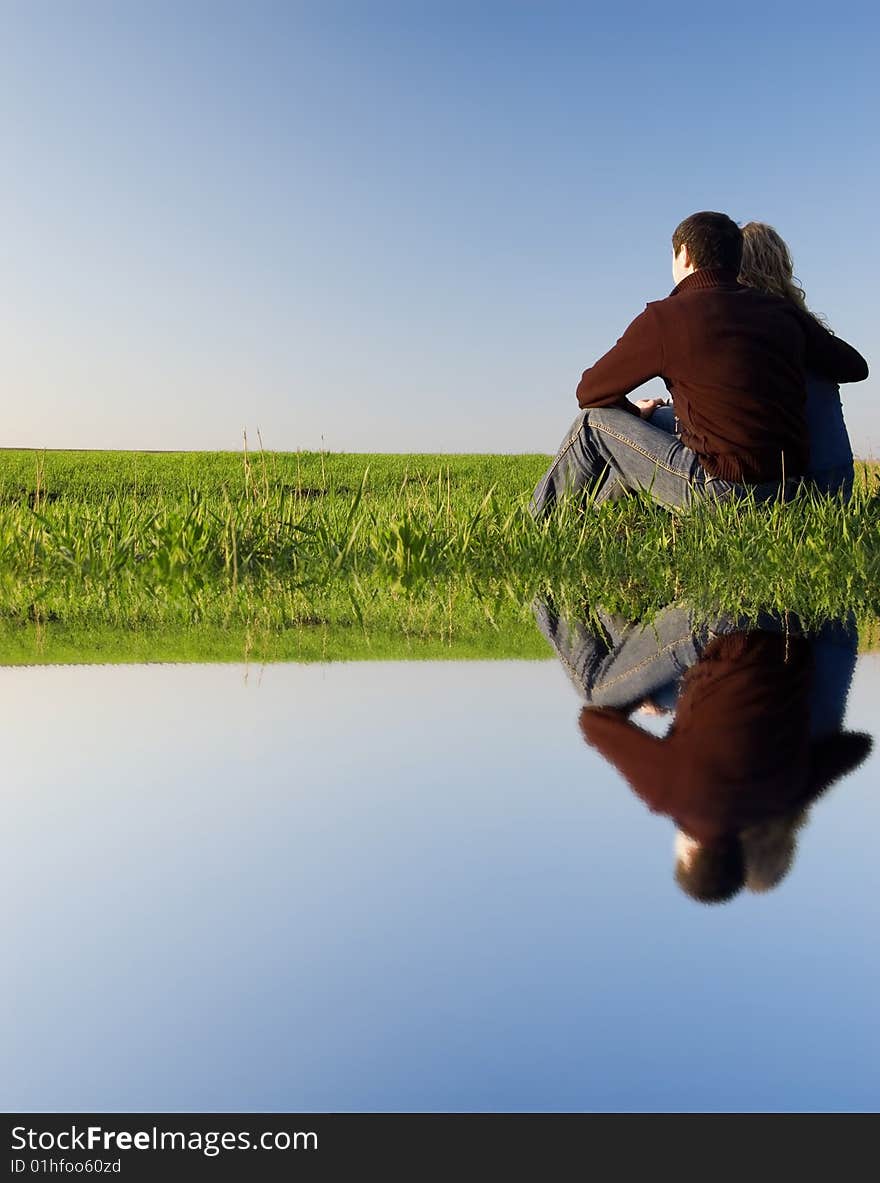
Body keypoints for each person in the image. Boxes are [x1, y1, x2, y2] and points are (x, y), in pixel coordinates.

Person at [530, 212, 869, 519]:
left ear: (685, 255)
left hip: (722, 494)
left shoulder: (667, 316)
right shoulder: (782, 313)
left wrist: (633, 413)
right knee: (645, 439)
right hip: (790, 490)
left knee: (593, 423)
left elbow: (589, 391)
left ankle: (536, 530)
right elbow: (856, 367)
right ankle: (609, 524)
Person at [738, 222, 856, 498]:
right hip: (838, 479)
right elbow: (856, 367)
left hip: (796, 481)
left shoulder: (751, 328)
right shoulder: (805, 326)